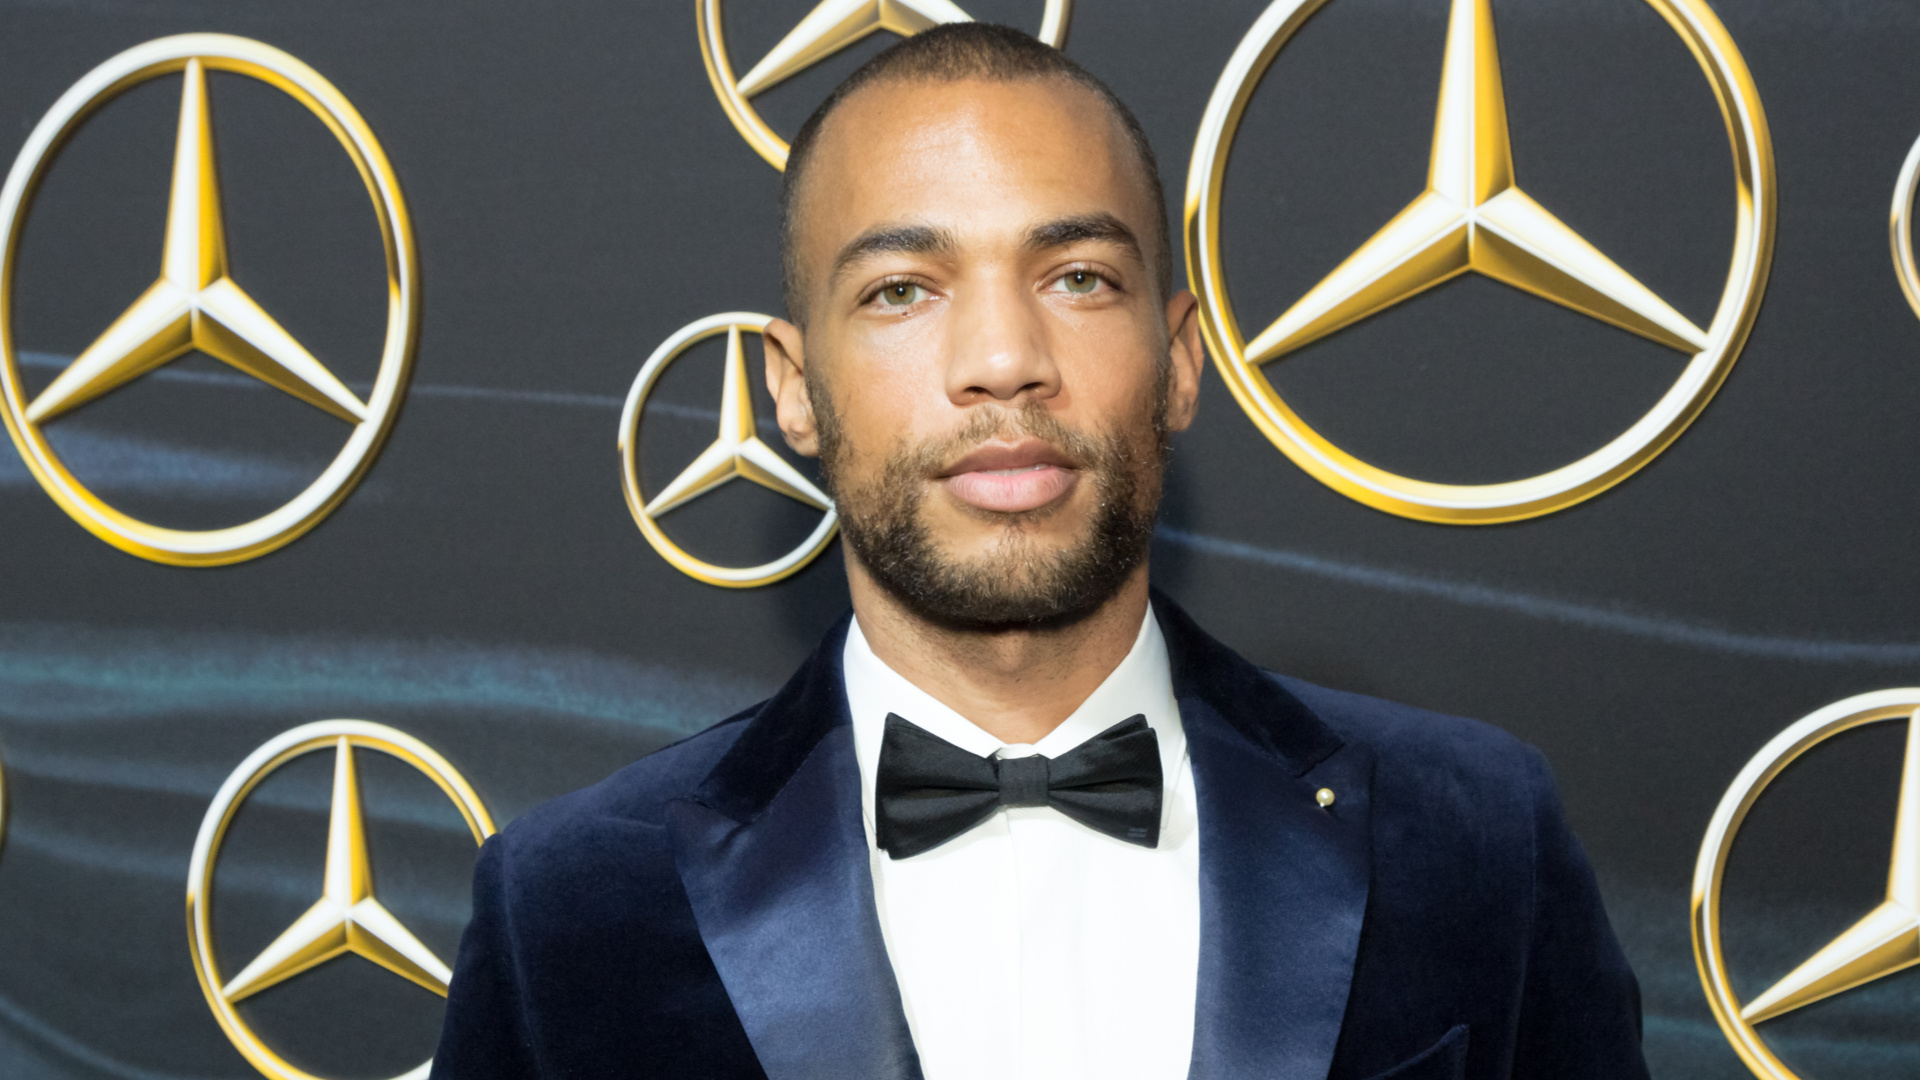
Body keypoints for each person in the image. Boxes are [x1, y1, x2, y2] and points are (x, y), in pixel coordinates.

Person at [433, 24, 1648, 1080]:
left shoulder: (1478, 842)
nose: (1004, 356)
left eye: (1075, 276)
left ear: (1177, 361)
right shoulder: (569, 915)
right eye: (904, 290)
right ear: (794, 391)